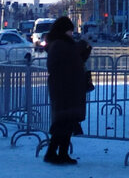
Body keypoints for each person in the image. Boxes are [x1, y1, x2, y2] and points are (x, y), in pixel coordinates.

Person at [43, 16, 91, 165]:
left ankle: (61, 153)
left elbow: (75, 58)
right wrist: (83, 43)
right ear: (64, 30)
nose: (72, 33)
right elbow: (71, 55)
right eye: (70, 30)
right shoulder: (59, 44)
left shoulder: (61, 43)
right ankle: (52, 153)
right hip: (64, 89)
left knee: (67, 123)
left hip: (68, 88)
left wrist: (86, 49)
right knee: (63, 123)